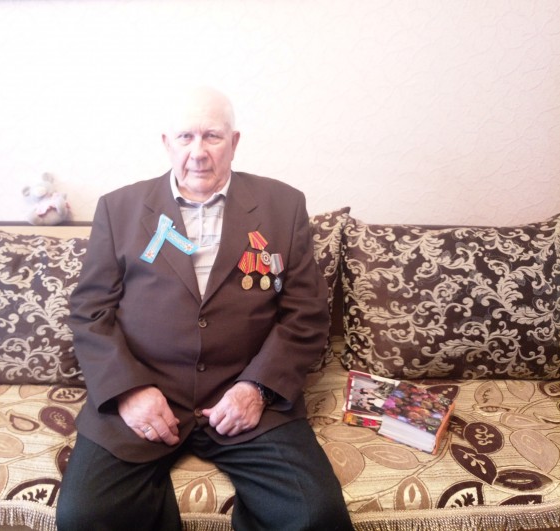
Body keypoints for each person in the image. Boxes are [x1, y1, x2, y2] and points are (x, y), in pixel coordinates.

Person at [56, 87, 353, 531]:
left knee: (315, 516)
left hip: (246, 393)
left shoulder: (283, 205)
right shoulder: (118, 209)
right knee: (85, 516)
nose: (198, 152)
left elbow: (306, 312)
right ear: (166, 143)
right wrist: (128, 391)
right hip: (145, 391)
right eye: (185, 137)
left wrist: (256, 388)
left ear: (234, 142)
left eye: (212, 136)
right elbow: (90, 311)